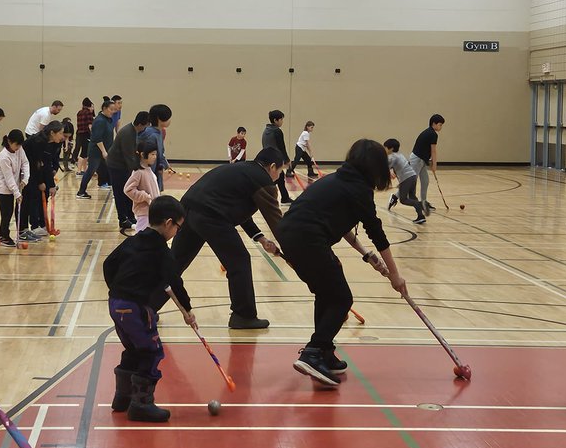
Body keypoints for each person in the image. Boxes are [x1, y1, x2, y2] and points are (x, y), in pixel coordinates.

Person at [279, 139, 407, 387]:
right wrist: (395, 275)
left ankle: (324, 351)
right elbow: (377, 233)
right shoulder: (359, 190)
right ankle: (313, 352)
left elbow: (341, 223)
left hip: (290, 235)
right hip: (308, 239)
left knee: (326, 294)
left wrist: (367, 255)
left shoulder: (337, 180)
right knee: (341, 299)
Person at [103, 194, 196, 423]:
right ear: (168, 223)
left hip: (115, 304)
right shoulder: (162, 251)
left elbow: (108, 264)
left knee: (134, 349)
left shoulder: (133, 240)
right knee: (151, 351)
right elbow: (176, 282)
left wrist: (117, 289)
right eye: (178, 227)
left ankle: (122, 398)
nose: (177, 232)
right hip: (135, 308)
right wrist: (188, 309)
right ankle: (141, 405)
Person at [170, 148, 284, 330]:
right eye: (280, 171)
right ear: (272, 167)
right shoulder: (263, 180)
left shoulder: (244, 170)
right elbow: (277, 222)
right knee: (239, 260)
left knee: (173, 265)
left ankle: (145, 307)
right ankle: (243, 316)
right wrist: (295, 249)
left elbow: (236, 208)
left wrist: (261, 238)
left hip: (188, 210)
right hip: (211, 215)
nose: (278, 176)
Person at [107, 111, 150, 235]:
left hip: (123, 166)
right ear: (141, 124)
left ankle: (130, 216)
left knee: (127, 194)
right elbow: (129, 156)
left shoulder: (132, 131)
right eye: (146, 125)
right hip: (116, 166)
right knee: (120, 193)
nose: (146, 128)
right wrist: (138, 172)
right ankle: (123, 219)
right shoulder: (127, 133)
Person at [23, 120, 64, 239]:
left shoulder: (50, 143)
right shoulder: (38, 142)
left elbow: (46, 164)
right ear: (52, 133)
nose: (62, 136)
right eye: (60, 133)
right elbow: (36, 165)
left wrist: (50, 184)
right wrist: (40, 182)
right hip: (26, 170)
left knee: (43, 196)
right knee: (33, 197)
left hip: (35, 169)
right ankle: (33, 227)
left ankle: (42, 224)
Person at [0, 129, 29, 247]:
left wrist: (25, 179)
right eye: (16, 145)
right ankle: (3, 236)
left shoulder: (19, 149)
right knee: (6, 213)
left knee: (9, 211)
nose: (18, 147)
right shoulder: (3, 156)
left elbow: (25, 163)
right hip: (3, 188)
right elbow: (8, 178)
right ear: (9, 142)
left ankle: (2, 234)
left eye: (20, 145)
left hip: (14, 185)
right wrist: (17, 194)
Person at [76, 99, 116, 200]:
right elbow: (98, 138)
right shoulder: (99, 121)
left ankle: (109, 187)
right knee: (91, 170)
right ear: (104, 108)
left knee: (109, 169)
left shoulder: (108, 119)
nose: (113, 111)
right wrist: (104, 152)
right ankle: (81, 192)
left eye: (114, 109)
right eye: (111, 109)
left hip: (104, 151)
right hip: (96, 152)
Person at [384, 138, 426, 224]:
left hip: (406, 178)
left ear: (391, 148)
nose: (384, 149)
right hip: (413, 176)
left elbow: (384, 168)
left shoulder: (391, 157)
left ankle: (421, 204)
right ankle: (421, 216)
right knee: (412, 197)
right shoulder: (400, 155)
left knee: (403, 200)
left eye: (385, 148)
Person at [409, 114, 445, 213]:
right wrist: (434, 165)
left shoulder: (429, 132)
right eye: (440, 125)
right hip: (417, 160)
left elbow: (427, 150)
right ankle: (395, 197)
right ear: (434, 124)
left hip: (421, 160)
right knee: (410, 182)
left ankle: (423, 202)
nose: (441, 127)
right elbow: (433, 151)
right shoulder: (432, 134)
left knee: (425, 181)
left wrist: (430, 162)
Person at [124, 139, 159, 232]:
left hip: (151, 211)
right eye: (152, 154)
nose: (155, 157)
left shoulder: (148, 169)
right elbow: (128, 189)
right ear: (143, 155)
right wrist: (145, 196)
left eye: (155, 154)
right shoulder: (138, 172)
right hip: (144, 213)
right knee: (142, 237)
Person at [262, 109, 292, 203]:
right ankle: (266, 196)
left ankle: (284, 197)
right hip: (275, 158)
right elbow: (282, 147)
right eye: (281, 119)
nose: (282, 121)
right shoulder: (277, 131)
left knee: (280, 178)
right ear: (275, 120)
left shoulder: (266, 130)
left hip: (267, 157)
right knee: (275, 179)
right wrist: (287, 160)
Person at [146, 103, 175, 192]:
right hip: (150, 170)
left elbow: (161, 151)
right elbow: (149, 157)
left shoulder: (160, 132)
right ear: (159, 118)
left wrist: (164, 164)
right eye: (167, 117)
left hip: (156, 169)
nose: (169, 120)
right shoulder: (151, 135)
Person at [73, 97, 95, 168]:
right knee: (84, 152)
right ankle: (80, 170)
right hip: (86, 134)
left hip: (79, 133)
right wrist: (93, 134)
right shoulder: (88, 113)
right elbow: (90, 125)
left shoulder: (79, 112)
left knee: (80, 150)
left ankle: (83, 169)